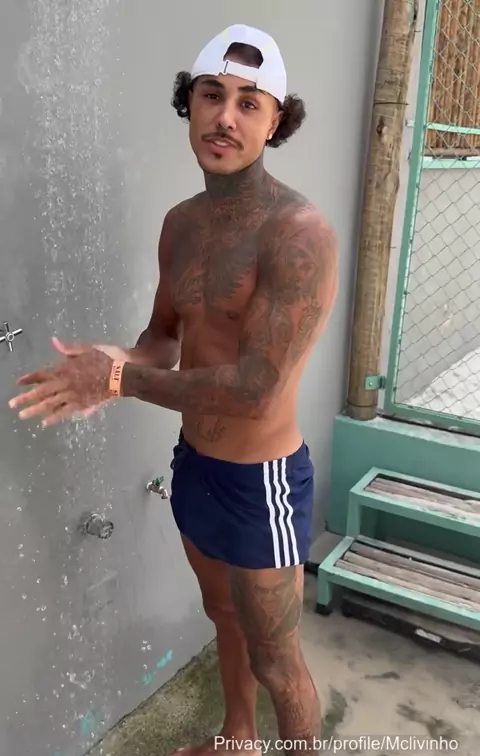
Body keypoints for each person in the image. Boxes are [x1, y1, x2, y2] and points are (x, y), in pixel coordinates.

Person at [9, 23, 338, 755]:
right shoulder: (181, 225)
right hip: (195, 468)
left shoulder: (299, 233)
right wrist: (113, 359)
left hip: (261, 485)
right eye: (211, 95)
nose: (225, 117)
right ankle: (237, 739)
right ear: (189, 104)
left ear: (275, 122)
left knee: (277, 661)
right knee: (223, 618)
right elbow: (164, 337)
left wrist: (119, 379)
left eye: (249, 103)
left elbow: (255, 389)